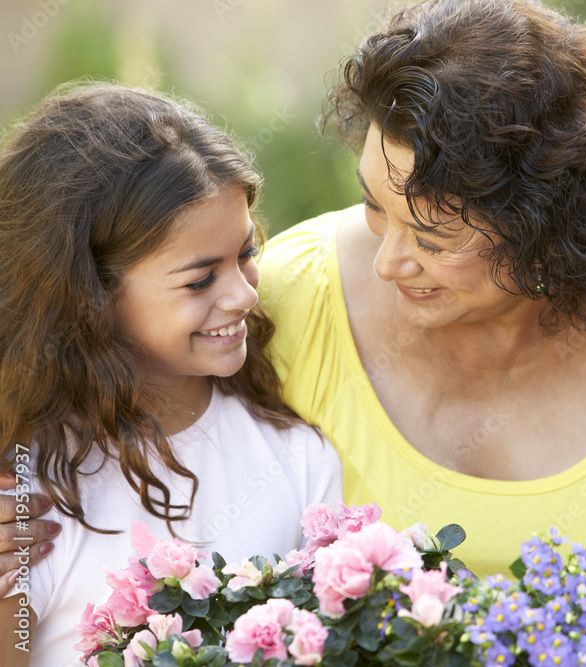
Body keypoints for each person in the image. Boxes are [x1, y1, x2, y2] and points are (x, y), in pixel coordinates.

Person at [253, 0, 586, 576]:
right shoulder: (292, 295)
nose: (387, 263)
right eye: (373, 205)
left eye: (432, 238)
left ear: (548, 231)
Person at [0, 83, 343, 667]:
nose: (242, 294)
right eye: (200, 279)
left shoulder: (298, 458)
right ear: (90, 294)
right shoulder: (28, 488)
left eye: (246, 251)